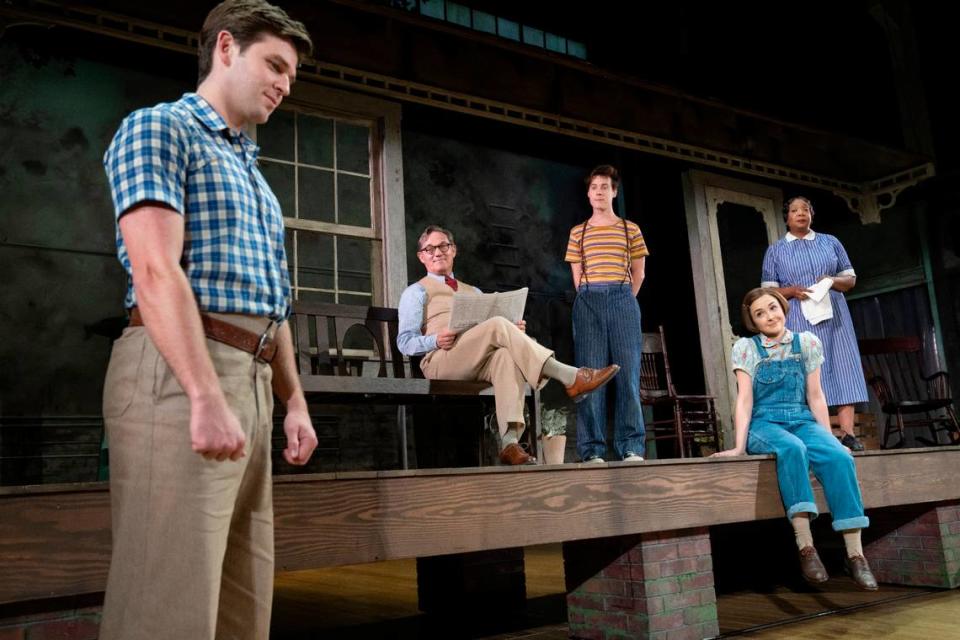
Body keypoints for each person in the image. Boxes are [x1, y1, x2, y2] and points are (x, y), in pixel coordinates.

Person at [100, 2, 318, 638]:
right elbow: (155, 270)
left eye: (291, 76)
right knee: (167, 602)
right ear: (226, 47)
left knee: (240, 607)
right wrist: (202, 392)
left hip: (250, 380)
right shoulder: (160, 129)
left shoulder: (254, 175)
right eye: (275, 65)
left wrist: (294, 401)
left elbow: (270, 303)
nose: (283, 83)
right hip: (177, 372)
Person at [398, 225, 619, 465]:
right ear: (421, 256)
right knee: (498, 326)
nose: (437, 252)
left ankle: (509, 443)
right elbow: (404, 342)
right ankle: (571, 376)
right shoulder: (416, 291)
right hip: (441, 360)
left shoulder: (474, 291)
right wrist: (435, 339)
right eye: (430, 249)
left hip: (475, 360)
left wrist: (513, 331)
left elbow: (490, 330)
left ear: (454, 250)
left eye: (443, 246)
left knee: (505, 355)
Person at [713, 288, 877, 590]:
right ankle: (806, 547)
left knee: (840, 457)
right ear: (752, 321)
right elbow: (745, 400)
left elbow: (816, 396)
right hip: (765, 423)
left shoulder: (807, 343)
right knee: (793, 448)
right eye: (759, 313)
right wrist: (738, 446)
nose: (769, 316)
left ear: (783, 308)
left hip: (801, 418)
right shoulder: (747, 349)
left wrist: (830, 439)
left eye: (772, 308)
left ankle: (855, 555)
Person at [761, 196, 868, 451]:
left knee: (843, 366)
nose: (801, 214)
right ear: (786, 217)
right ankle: (820, 433)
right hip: (798, 315)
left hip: (835, 315)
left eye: (806, 209)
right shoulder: (776, 250)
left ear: (812, 214)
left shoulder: (830, 242)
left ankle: (848, 433)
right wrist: (791, 291)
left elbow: (850, 279)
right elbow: (767, 292)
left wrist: (831, 280)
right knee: (807, 369)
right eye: (795, 210)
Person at [564, 165, 648, 463]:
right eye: (594, 187)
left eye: (604, 186)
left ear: (614, 191)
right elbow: (577, 277)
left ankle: (631, 446)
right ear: (588, 194)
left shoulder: (630, 229)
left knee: (627, 374)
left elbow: (638, 273)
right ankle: (592, 450)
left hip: (623, 297)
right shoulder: (578, 232)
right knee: (589, 376)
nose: (599, 191)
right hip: (589, 300)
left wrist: (621, 300)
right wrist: (595, 299)